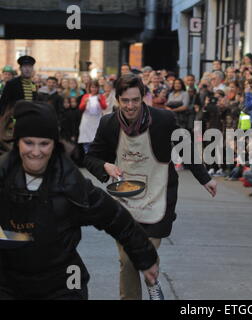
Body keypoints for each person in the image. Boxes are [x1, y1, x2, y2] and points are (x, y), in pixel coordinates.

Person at [0, 101, 159, 300]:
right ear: (17, 143)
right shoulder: (3, 178)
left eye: (44, 144)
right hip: (8, 281)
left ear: (54, 145)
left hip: (64, 281)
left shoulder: (72, 184)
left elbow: (115, 218)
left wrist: (146, 257)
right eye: (29, 143)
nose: (36, 152)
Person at [84, 74, 217, 300]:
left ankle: (151, 279)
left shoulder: (164, 119)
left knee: (144, 251)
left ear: (144, 97)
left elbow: (186, 148)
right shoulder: (108, 123)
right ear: (117, 99)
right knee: (127, 259)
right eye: (125, 100)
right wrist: (105, 166)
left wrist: (205, 178)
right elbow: (91, 158)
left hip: (158, 197)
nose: (130, 106)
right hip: (126, 198)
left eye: (135, 100)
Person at [78, 80, 108, 154]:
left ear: (98, 88)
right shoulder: (85, 96)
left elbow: (104, 107)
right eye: (92, 87)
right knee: (86, 142)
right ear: (89, 88)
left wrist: (100, 100)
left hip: (97, 121)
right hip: (87, 122)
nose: (94, 89)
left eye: (95, 87)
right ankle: (87, 157)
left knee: (96, 141)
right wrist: (85, 102)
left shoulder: (101, 96)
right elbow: (80, 108)